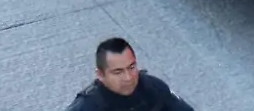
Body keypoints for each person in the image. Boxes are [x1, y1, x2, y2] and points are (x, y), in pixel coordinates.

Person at [65, 38, 195, 111]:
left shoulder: (153, 88)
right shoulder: (86, 107)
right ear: (100, 74)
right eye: (118, 72)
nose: (128, 78)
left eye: (131, 67)